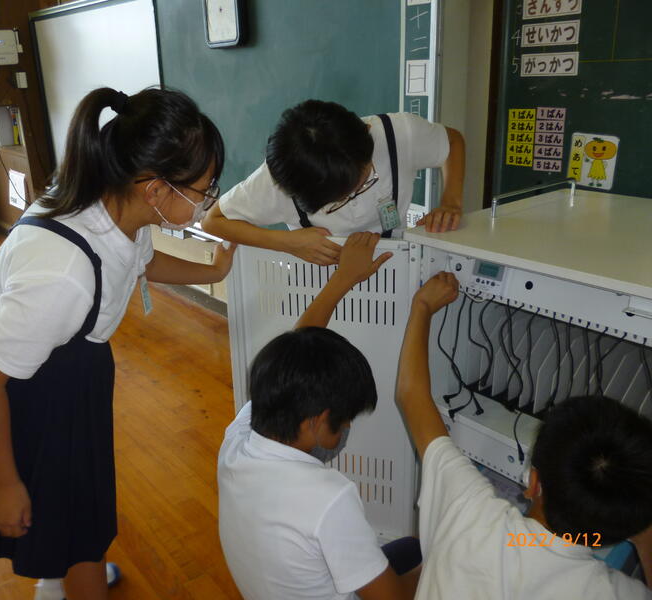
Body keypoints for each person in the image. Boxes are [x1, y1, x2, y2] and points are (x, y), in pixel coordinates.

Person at [0, 87, 235, 600]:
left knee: (73, 509)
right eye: (203, 190)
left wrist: (212, 270)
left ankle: (65, 575)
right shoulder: (64, 275)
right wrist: (4, 484)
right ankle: (74, 575)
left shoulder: (115, 206)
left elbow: (140, 261)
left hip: (66, 367)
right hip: (31, 391)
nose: (207, 200)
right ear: (156, 189)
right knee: (76, 517)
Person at [395, 271, 652, 599]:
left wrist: (422, 306)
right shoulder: (617, 592)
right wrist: (645, 537)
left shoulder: (468, 510)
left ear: (532, 482)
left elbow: (411, 394)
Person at [218, 232, 422, 599]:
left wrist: (343, 279)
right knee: (431, 556)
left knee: (410, 547)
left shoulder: (238, 439)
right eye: (343, 422)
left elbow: (297, 350)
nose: (346, 430)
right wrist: (451, 560)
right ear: (315, 421)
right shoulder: (329, 497)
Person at [202, 99, 464, 266]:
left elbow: (452, 141)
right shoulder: (281, 177)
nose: (351, 199)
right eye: (335, 201)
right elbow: (213, 220)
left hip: (394, 261)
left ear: (368, 135)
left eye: (362, 183)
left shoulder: (398, 135)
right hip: (319, 278)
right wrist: (288, 243)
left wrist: (450, 201)